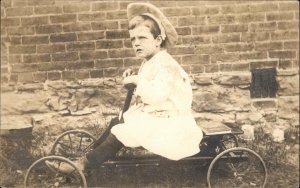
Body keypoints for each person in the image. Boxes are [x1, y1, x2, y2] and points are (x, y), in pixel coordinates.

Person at [46, 2, 203, 173]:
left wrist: (138, 81)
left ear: (158, 40)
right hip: (158, 114)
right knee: (118, 122)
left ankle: (84, 164)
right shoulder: (152, 61)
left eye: (142, 38)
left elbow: (156, 96)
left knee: (123, 129)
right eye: (133, 39)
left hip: (172, 123)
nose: (136, 43)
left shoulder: (166, 65)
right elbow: (149, 83)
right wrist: (135, 76)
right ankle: (88, 156)